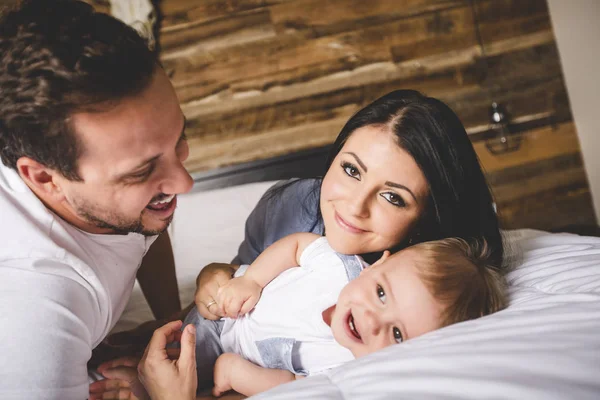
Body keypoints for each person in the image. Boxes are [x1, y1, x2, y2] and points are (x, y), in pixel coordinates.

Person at [0, 0, 194, 398]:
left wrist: (168, 322)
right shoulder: (37, 313)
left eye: (178, 140)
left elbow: (143, 229)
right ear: (44, 178)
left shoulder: (124, 201)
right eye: (141, 172)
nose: (183, 181)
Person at [195, 89, 505, 321]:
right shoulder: (290, 204)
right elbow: (239, 268)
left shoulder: (435, 283)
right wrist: (211, 275)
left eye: (393, 197)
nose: (356, 206)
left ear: (428, 218)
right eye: (351, 170)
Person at [97, 233, 506, 399]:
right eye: (381, 292)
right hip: (225, 302)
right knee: (158, 331)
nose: (370, 319)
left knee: (167, 372)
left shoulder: (347, 362)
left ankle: (137, 380)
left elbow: (294, 383)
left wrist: (238, 374)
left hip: (220, 355)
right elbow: (296, 247)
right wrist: (252, 279)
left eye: (397, 334)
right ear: (378, 264)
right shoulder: (338, 265)